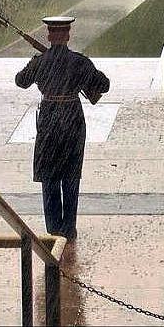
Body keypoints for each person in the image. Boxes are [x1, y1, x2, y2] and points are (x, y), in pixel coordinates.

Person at [15, 16, 110, 240]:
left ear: (49, 36)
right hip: (72, 119)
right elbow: (104, 85)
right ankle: (69, 227)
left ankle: (53, 228)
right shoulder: (79, 62)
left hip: (48, 119)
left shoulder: (40, 61)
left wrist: (37, 61)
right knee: (70, 174)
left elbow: (21, 81)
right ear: (68, 35)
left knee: (49, 175)